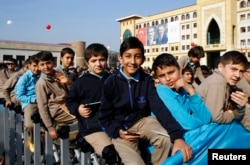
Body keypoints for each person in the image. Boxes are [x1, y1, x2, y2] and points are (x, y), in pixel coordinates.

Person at [99, 37, 192, 164]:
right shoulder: (111, 82)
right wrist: (118, 131)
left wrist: (177, 137)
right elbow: (105, 117)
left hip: (143, 122)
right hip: (121, 128)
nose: (132, 61)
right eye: (128, 56)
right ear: (120, 58)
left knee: (166, 140)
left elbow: (159, 108)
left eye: (137, 56)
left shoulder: (146, 80)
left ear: (143, 59)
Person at [66, 43, 118, 164]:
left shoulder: (114, 79)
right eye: (94, 60)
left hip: (113, 124)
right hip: (92, 128)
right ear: (87, 62)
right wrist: (78, 109)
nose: (98, 64)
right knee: (110, 152)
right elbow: (70, 101)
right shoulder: (80, 82)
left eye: (101, 60)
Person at [152, 53, 211, 130]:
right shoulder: (162, 90)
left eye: (171, 72)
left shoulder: (181, 89)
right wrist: (202, 123)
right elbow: (189, 124)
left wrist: (191, 90)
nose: (167, 78)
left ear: (179, 70)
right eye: (162, 76)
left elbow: (206, 118)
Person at [196, 50, 249, 124]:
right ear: (220, 67)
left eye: (241, 71)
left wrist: (240, 108)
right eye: (233, 69)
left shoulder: (226, 83)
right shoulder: (217, 82)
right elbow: (216, 117)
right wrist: (233, 114)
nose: (238, 75)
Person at [35, 51, 77, 139]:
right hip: (57, 109)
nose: (46, 67)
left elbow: (73, 91)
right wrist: (50, 128)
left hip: (68, 103)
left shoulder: (59, 72)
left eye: (48, 63)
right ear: (38, 67)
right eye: (42, 64)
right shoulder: (41, 83)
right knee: (80, 119)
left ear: (53, 62)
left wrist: (68, 82)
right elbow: (42, 107)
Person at [14, 54, 40, 152]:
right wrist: (34, 99)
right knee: (30, 125)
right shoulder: (23, 78)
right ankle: (31, 140)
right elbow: (20, 96)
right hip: (30, 102)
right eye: (34, 65)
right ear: (29, 66)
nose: (36, 68)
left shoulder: (42, 76)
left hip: (42, 101)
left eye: (38, 66)